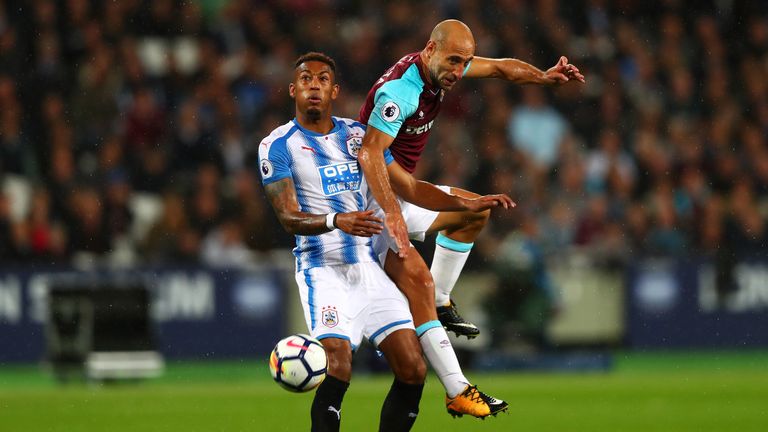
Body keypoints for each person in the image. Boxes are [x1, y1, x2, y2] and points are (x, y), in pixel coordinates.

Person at [259, 53, 511, 430]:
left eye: (323, 79)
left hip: (368, 267)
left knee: (412, 367)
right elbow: (287, 217)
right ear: (293, 90)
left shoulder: (358, 137)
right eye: (307, 79)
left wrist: (467, 203)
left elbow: (408, 186)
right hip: (322, 269)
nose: (315, 84)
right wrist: (336, 219)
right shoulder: (277, 145)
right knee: (338, 362)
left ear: (334, 90)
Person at [357, 19, 585, 340]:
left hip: (400, 194)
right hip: (372, 202)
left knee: (474, 212)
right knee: (409, 306)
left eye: (465, 62)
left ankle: (440, 304)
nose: (459, 70)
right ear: (431, 49)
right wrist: (392, 212)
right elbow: (369, 154)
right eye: (455, 61)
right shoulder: (401, 93)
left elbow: (500, 68)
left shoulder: (441, 66)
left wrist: (544, 78)